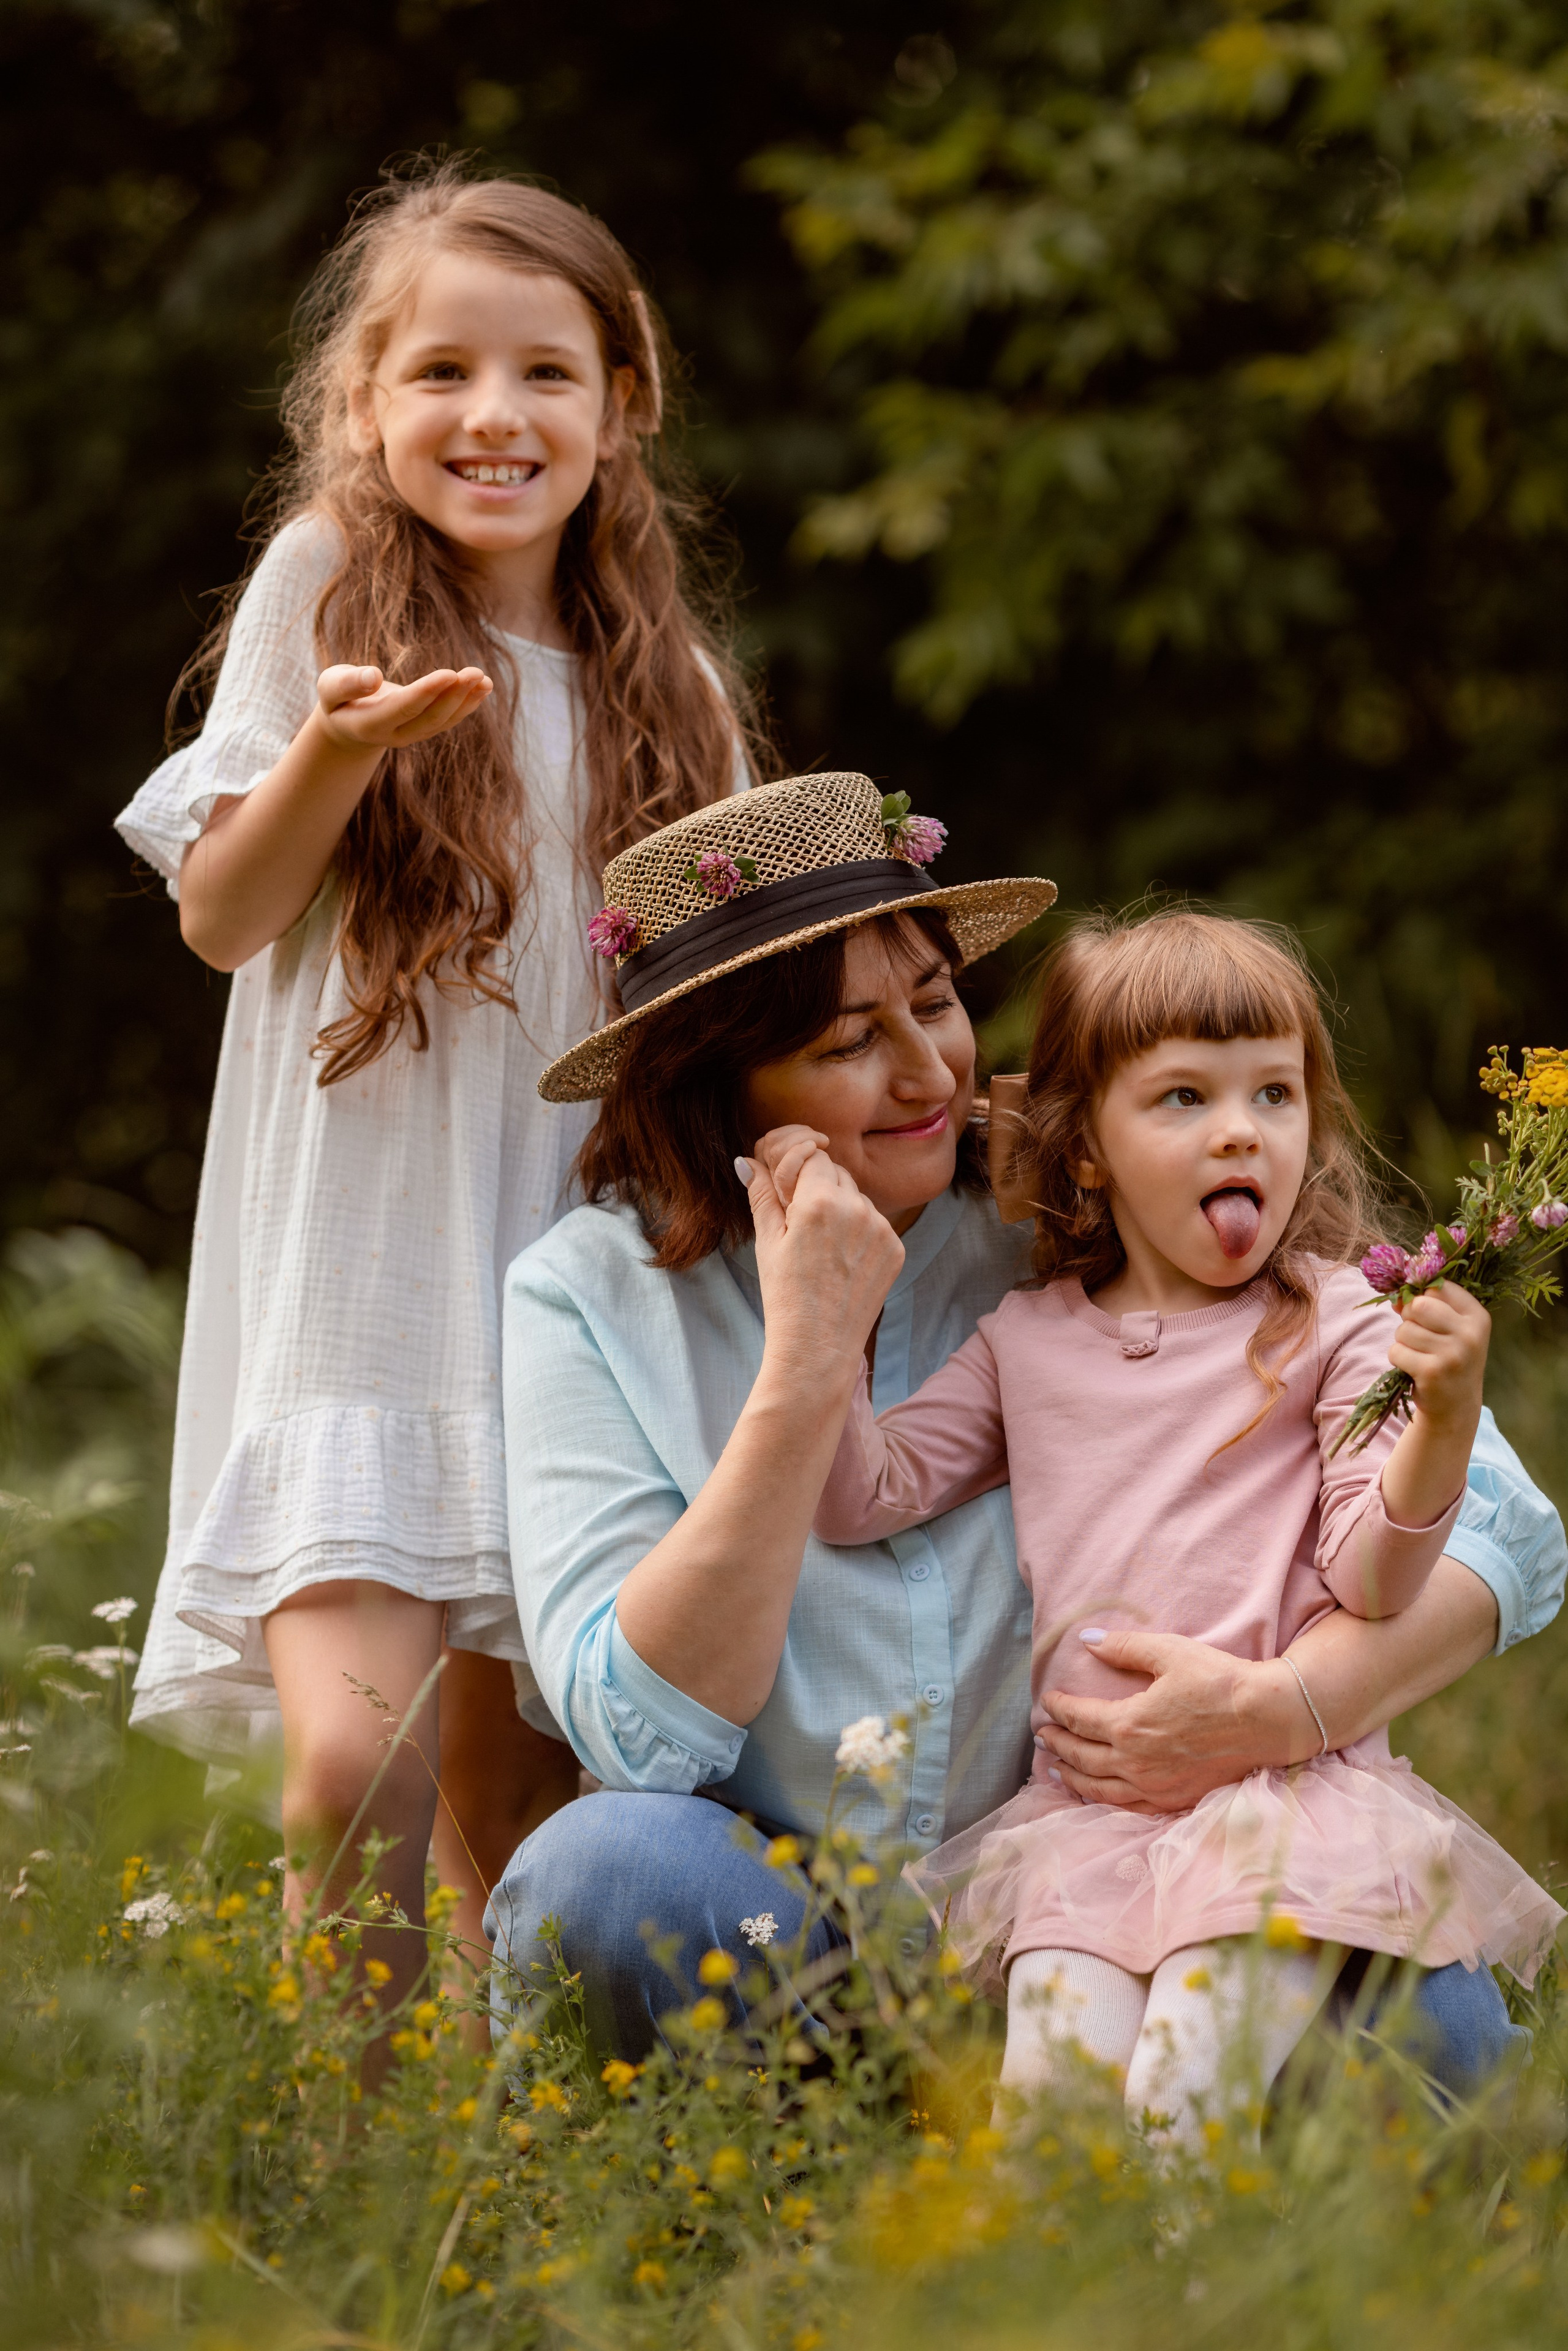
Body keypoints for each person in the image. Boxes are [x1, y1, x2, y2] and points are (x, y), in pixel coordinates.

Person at [489, 772, 1566, 2085]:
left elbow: (1507, 1537)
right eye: (845, 1044)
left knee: (1437, 2030)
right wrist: (806, 1353)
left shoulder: (1088, 1203)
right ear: (718, 1084)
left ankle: (1147, 2193)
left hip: (1135, 1895)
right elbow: (641, 1739)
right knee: (604, 1877)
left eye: (933, 1003)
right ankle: (822, 2161)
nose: (925, 1068)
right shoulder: (586, 1295)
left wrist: (1286, 1707)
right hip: (784, 1936)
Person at [111, 164, 756, 2024]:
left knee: (518, 1823)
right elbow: (227, 919)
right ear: (366, 404)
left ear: (623, 405)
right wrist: (331, 745)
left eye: (547, 372)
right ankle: (349, 2209)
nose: (495, 414)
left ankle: (499, 2223)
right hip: (368, 1287)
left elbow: (706, 1021)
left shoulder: (680, 690)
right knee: (355, 1779)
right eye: (445, 372)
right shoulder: (327, 590)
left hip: (577, 1296)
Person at [812, 909, 1563, 2151]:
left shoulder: (1336, 1318)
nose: (1237, 1127)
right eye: (1179, 1097)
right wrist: (827, 1322)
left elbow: (1368, 1577)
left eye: (1273, 1090)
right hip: (1087, 1821)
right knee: (1044, 2135)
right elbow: (864, 1489)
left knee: (1180, 2114)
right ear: (1089, 1149)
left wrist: (1443, 1417)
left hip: (1279, 1811)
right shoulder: (1026, 1339)